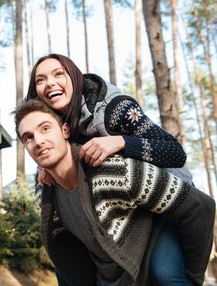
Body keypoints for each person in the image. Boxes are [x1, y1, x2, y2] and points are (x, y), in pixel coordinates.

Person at [26, 54, 193, 285]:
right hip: (124, 207)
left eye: (58, 74)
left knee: (163, 273)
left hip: (167, 195)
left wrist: (122, 142)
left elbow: (175, 152)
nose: (50, 83)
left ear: (74, 77)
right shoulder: (56, 121)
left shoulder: (116, 109)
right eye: (40, 80)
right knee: (66, 269)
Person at [14, 99, 215, 286]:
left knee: (166, 275)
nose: (38, 141)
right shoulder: (45, 195)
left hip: (146, 269)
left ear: (65, 130)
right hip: (108, 279)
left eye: (45, 129)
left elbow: (201, 207)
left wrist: (193, 279)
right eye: (28, 138)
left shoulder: (115, 170)